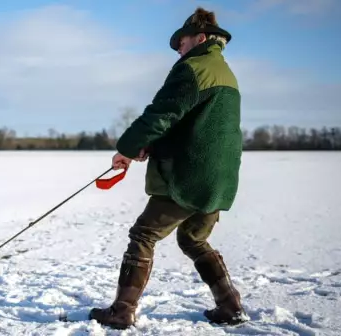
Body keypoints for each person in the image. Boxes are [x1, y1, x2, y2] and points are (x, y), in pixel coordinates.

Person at [88, 7, 249, 329]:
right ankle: (230, 306)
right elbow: (194, 126)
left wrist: (127, 148)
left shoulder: (194, 68)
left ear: (200, 38)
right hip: (219, 177)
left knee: (144, 234)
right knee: (193, 238)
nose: (179, 49)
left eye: (182, 42)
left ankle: (122, 311)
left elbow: (161, 114)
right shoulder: (225, 71)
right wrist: (154, 145)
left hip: (189, 176)